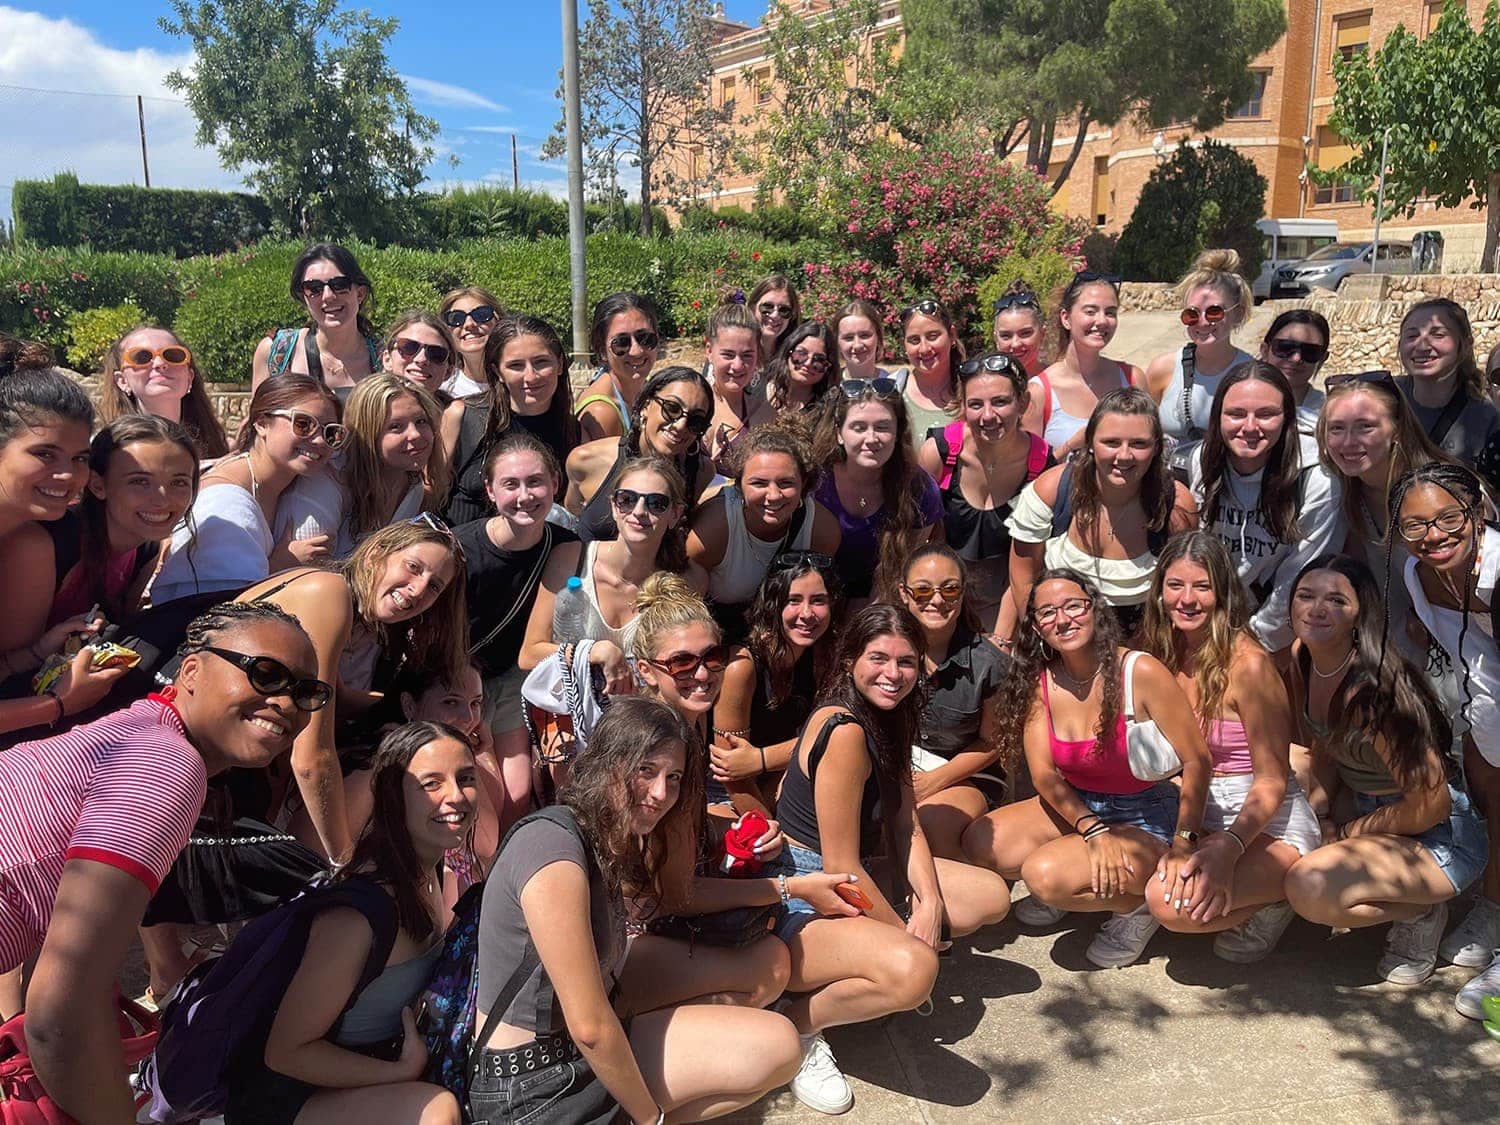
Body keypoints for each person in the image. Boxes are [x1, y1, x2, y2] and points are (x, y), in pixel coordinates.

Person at [0, 601, 325, 1119]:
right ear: (191, 670)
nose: (286, 701)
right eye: (265, 675)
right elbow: (61, 1014)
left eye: (307, 692)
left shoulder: (139, 732)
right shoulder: (166, 767)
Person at [469, 696, 802, 1124]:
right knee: (766, 1048)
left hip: (581, 1038)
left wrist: (784, 884)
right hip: (528, 1083)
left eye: (674, 776)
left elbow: (672, 897)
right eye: (645, 770)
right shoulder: (552, 851)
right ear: (608, 763)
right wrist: (651, 1118)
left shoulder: (609, 833)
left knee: (778, 1046)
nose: (661, 792)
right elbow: (589, 1026)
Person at [225, 721, 473, 1125]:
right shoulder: (358, 917)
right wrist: (400, 1072)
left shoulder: (431, 869)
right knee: (437, 1111)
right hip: (290, 1096)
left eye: (465, 778)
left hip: (371, 1070)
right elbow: (286, 1052)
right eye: (431, 784)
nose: (456, 796)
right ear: (392, 798)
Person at [961, 570, 1211, 968]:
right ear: (1037, 628)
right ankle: (1083, 886)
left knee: (1043, 877)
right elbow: (1043, 775)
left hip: (1148, 811)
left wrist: (1185, 843)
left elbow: (1198, 761)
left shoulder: (1139, 671)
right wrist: (1092, 829)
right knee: (983, 843)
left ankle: (1135, 908)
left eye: (1073, 605)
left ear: (1095, 609)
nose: (1062, 619)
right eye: (1047, 612)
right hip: (1082, 806)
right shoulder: (1039, 682)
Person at [1283, 554, 1487, 990]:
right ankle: (1275, 903)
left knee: (1309, 887)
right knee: (1278, 778)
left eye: (1337, 600)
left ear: (1362, 617)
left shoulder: (1374, 693)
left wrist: (1347, 831)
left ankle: (1419, 911)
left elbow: (1429, 806)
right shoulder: (1304, 656)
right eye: (1306, 595)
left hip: (1437, 835)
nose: (1317, 609)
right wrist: (1315, 811)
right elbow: (1325, 749)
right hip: (1366, 802)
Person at [234, 518, 469, 864]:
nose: (418, 589)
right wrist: (340, 859)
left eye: (434, 586)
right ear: (376, 554)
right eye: (413, 567)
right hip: (187, 743)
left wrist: (414, 724)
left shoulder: (352, 614)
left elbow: (337, 698)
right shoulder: (328, 594)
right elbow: (311, 757)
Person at [776, 602, 1008, 953]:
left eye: (906, 662)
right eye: (878, 658)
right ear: (849, 660)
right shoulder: (845, 732)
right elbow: (841, 866)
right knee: (913, 966)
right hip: (815, 875)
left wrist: (930, 903)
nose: (893, 674)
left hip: (861, 864)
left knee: (990, 896)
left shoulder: (894, 714)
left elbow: (905, 821)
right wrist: (904, 936)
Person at [1140, 533, 1320, 961]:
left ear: (1222, 593)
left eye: (1202, 587)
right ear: (1159, 590)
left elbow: (1273, 781)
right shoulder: (1160, 651)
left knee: (1172, 906)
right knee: (1143, 878)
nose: (1187, 599)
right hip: (1190, 809)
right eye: (1175, 585)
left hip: (1261, 820)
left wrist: (1230, 845)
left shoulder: (1250, 665)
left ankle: (1278, 901)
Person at [1388, 464, 1500, 1006]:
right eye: (1415, 526)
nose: (1433, 535)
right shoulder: (1417, 573)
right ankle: (1494, 911)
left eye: (1448, 518)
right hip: (1486, 702)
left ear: (1476, 512)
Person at [1007, 388, 1198, 639]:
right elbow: (1023, 578)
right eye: (1111, 442)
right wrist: (1043, 637)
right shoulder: (1052, 491)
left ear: (1156, 448)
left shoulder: (1176, 503)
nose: (1124, 455)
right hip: (1059, 643)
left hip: (1144, 649)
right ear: (1090, 443)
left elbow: (1185, 588)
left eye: (1139, 443)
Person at [457, 433, 578, 830]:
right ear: (490, 491)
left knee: (518, 794)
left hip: (511, 679)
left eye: (535, 482)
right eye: (511, 484)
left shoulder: (565, 546)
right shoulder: (461, 550)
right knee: (476, 789)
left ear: (555, 485)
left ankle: (496, 876)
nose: (525, 495)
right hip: (456, 677)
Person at [1185, 363, 1343, 654]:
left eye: (1266, 414)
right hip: (1211, 620)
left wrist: (1254, 643)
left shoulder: (1315, 480)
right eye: (1235, 414)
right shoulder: (1203, 460)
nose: (1249, 427)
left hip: (1275, 631)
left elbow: (1300, 576)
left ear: (1287, 418)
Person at [523, 456, 706, 706]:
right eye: (627, 499)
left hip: (643, 724)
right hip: (569, 716)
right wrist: (594, 652)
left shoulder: (688, 580)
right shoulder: (570, 559)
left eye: (656, 503)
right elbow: (530, 654)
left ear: (675, 514)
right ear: (613, 505)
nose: (639, 511)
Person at [151, 374, 346, 606]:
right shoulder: (226, 503)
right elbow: (218, 608)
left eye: (330, 433)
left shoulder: (289, 484)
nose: (319, 441)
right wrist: (281, 565)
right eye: (303, 424)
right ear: (262, 423)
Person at [1316, 371, 1453, 661]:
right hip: (1390, 658)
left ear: (1397, 429)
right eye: (1337, 428)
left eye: (1365, 427)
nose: (1348, 442)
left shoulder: (1443, 491)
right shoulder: (1344, 494)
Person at [918, 351, 1052, 632]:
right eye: (976, 404)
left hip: (1005, 598)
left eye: (1001, 402)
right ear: (962, 406)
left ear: (1023, 402)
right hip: (937, 597)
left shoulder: (1040, 468)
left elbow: (1029, 567)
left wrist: (1001, 639)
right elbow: (912, 545)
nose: (988, 416)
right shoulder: (940, 454)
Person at [898, 545, 1009, 863]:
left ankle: (952, 900)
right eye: (922, 590)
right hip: (899, 763)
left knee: (933, 822)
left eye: (950, 589)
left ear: (962, 595)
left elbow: (993, 743)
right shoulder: (883, 650)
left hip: (967, 773)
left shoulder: (988, 664)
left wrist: (934, 780)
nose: (936, 599)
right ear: (904, 593)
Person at [712, 554, 843, 813]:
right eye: (793, 601)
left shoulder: (824, 655)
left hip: (781, 777)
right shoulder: (743, 666)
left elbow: (835, 737)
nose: (807, 614)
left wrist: (761, 760)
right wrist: (767, 830)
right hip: (725, 791)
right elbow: (730, 770)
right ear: (773, 605)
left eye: (818, 601)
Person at [687, 423, 840, 642]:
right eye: (759, 483)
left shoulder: (822, 530)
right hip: (719, 634)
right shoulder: (714, 528)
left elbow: (819, 604)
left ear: (804, 484)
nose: (774, 495)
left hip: (786, 636)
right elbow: (686, 607)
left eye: (786, 483)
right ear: (738, 484)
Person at [44, 415, 198, 627]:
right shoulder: (49, 543)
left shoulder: (147, 549)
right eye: (140, 481)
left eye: (178, 482)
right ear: (98, 485)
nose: (162, 500)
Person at [275, 374, 448, 562]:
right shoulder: (326, 482)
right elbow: (307, 571)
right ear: (367, 433)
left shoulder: (412, 488)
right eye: (396, 426)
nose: (415, 434)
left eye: (421, 421)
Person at [811, 381, 944, 605]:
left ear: (898, 432)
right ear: (839, 434)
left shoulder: (918, 488)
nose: (871, 439)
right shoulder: (815, 483)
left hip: (884, 602)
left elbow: (900, 574)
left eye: (882, 427)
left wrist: (867, 620)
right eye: (859, 427)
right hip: (819, 600)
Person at [442, 313, 579, 525]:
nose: (531, 376)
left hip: (548, 555)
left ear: (560, 364)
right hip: (463, 550)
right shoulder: (462, 416)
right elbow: (430, 491)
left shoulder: (575, 432)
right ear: (498, 372)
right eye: (516, 366)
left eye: (541, 362)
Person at [565, 365, 715, 542]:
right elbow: (571, 515)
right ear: (645, 406)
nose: (681, 425)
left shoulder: (700, 472)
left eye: (696, 420)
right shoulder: (586, 460)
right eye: (672, 409)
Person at [1144, 250, 1257, 445]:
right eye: (1192, 314)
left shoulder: (1253, 374)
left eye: (1214, 312)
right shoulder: (1163, 369)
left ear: (1238, 314)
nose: (1203, 323)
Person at [1024, 273, 1141, 458]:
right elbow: (1030, 473)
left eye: (1110, 312)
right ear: (1066, 318)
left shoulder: (1133, 379)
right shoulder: (1039, 393)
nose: (1102, 321)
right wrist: (1071, 446)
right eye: (1090, 311)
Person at [1394, 298, 1500, 487]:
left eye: (1438, 334)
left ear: (1466, 344)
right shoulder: (1384, 400)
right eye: (1411, 336)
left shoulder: (1488, 416)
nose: (1422, 346)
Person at [252, 243, 382, 397]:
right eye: (314, 288)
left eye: (339, 285)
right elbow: (258, 418)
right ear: (304, 298)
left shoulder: (384, 359)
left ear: (360, 294)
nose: (328, 296)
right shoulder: (276, 351)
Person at [98, 325, 230, 459]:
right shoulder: (104, 454)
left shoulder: (223, 454)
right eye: (142, 357)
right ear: (122, 381)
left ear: (189, 378)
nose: (160, 363)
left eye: (173, 356)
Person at [575, 291, 661, 443]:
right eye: (621, 343)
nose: (636, 351)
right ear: (602, 351)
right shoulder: (602, 413)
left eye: (645, 338)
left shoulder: (642, 390)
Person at [703, 299, 775, 474]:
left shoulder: (764, 413)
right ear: (709, 351)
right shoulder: (690, 405)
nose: (737, 365)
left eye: (747, 355)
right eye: (728, 354)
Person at [1258, 309, 1331, 459]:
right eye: (1285, 348)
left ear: (1323, 358)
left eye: (1310, 351)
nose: (1296, 358)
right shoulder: (1236, 400)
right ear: (1265, 350)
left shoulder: (1329, 413)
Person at [896, 298, 963, 447]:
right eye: (914, 340)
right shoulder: (894, 393)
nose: (924, 348)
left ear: (952, 335)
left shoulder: (972, 391)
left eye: (933, 336)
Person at [439, 285, 504, 399]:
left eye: (481, 314)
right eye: (456, 318)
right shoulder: (441, 391)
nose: (469, 324)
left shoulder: (523, 380)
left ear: (499, 321)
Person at [765, 321, 840, 416]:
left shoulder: (828, 411)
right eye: (801, 354)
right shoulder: (758, 390)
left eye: (819, 360)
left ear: (828, 367)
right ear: (788, 352)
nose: (808, 363)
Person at [380, 310, 460, 396]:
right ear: (387, 359)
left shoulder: (462, 409)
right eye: (409, 347)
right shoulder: (365, 408)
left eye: (436, 353)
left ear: (448, 371)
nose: (422, 359)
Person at [990, 281, 1048, 380]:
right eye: (1006, 336)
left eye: (1025, 333)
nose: (1016, 344)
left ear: (1042, 334)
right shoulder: (986, 386)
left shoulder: (1060, 383)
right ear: (996, 338)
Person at [834, 298, 892, 384]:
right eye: (848, 338)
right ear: (836, 342)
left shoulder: (893, 385)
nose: (857, 345)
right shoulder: (828, 386)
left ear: (878, 338)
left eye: (865, 335)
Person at [749, 274, 801, 363]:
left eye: (784, 310)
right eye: (767, 307)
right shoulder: (737, 352)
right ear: (752, 308)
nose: (775, 315)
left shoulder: (793, 359)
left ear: (792, 315)